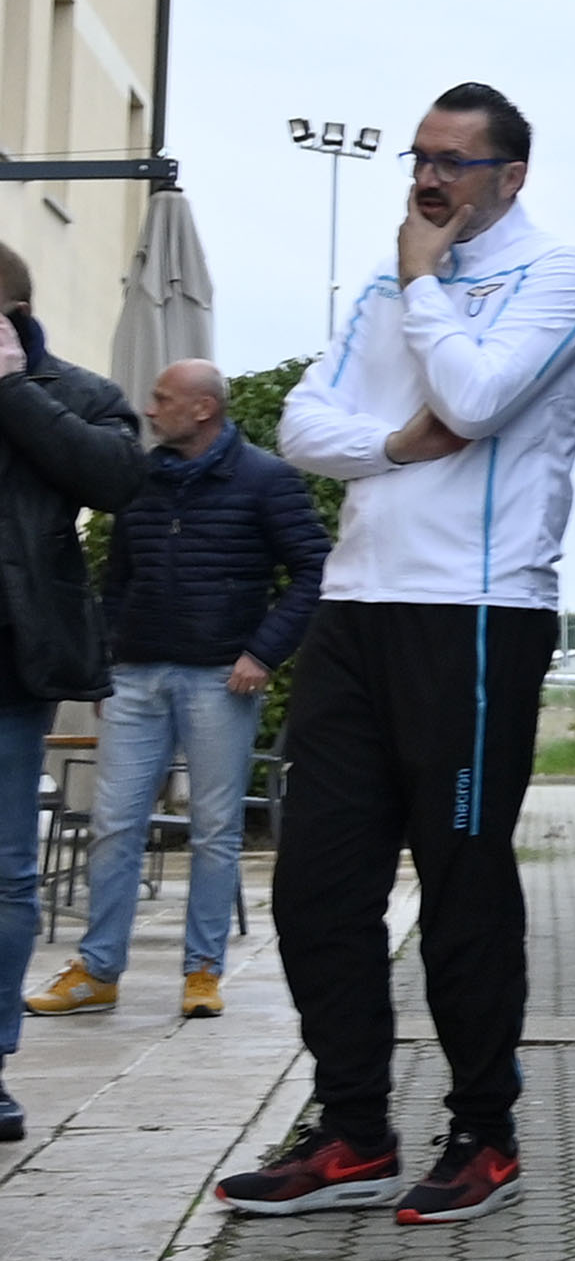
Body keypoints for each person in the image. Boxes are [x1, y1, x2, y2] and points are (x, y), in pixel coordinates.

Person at [217, 82, 575, 1226]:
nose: (428, 182)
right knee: (314, 887)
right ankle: (354, 1132)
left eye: (454, 164)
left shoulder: (558, 276)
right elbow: (297, 429)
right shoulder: (389, 281)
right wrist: (390, 443)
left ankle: (484, 1133)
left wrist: (427, 288)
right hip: (356, 610)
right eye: (418, 161)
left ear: (511, 177)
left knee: (462, 887)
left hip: (477, 614)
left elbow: (478, 400)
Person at [23, 359, 328, 1024]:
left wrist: (262, 653)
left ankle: (202, 972)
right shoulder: (140, 479)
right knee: (113, 827)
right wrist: (107, 660)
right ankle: (99, 971)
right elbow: (116, 578)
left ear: (202, 410)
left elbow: (313, 570)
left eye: (163, 399)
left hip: (221, 678)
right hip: (136, 677)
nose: (149, 408)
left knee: (214, 832)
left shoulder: (266, 480)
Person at [0, 244, 158, 1141]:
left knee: (7, 875)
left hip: (14, 665)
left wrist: (13, 389)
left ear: (15, 315)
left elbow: (118, 478)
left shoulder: (72, 394)